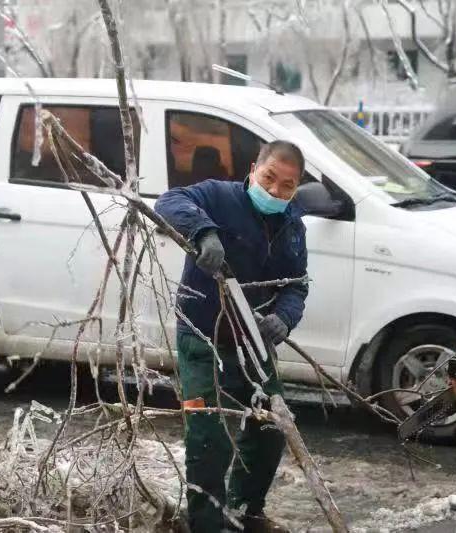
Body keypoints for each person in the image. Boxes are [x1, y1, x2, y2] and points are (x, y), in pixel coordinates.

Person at [154, 140, 308, 532]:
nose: (275, 191)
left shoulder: (292, 225)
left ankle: (245, 512)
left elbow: (296, 286)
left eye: (286, 186)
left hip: (254, 345)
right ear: (254, 169)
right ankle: (206, 524)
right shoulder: (217, 197)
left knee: (271, 428)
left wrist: (284, 318)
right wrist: (204, 233)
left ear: (296, 188)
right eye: (269, 178)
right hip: (204, 339)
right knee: (210, 436)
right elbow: (168, 201)